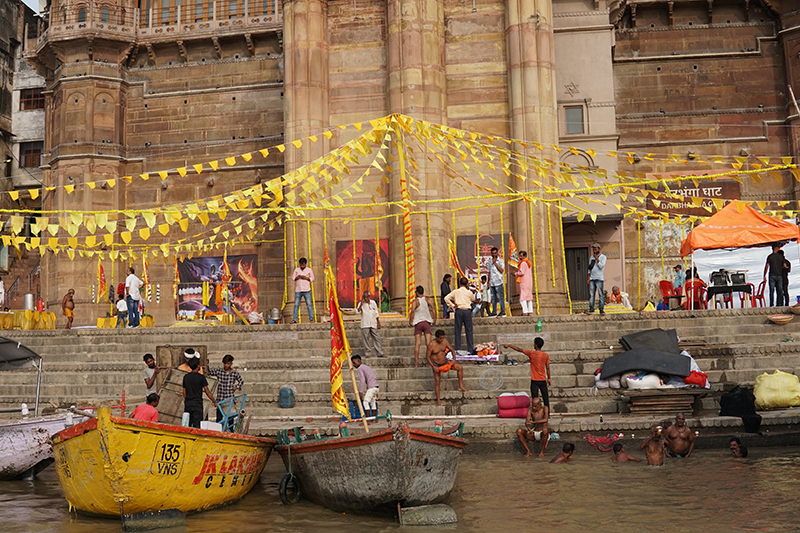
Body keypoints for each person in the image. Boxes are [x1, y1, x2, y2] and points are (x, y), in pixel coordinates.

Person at [503, 337, 550, 407]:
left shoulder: (532, 353)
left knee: (535, 399)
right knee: (545, 398)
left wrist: (509, 345)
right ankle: (547, 414)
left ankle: (535, 414)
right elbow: (548, 368)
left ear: (536, 345)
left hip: (535, 380)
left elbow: (519, 350)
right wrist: (549, 378)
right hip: (543, 380)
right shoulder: (545, 355)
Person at [426, 329, 468, 406]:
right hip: (436, 365)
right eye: (440, 338)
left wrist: (454, 360)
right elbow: (428, 357)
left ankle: (460, 386)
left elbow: (452, 350)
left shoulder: (445, 341)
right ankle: (438, 401)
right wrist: (433, 366)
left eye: (443, 338)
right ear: (436, 337)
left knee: (460, 368)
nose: (442, 340)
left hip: (445, 362)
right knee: (437, 382)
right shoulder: (431, 344)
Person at [182, 356, 217, 428]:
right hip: (197, 404)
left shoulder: (186, 377)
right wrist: (214, 401)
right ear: (198, 366)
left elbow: (184, 391)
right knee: (197, 425)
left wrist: (187, 400)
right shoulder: (201, 377)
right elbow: (207, 392)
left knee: (187, 424)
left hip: (188, 404)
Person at [208, 354, 244, 423]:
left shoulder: (234, 373)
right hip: (220, 399)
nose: (226, 365)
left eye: (228, 364)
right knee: (219, 419)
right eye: (225, 363)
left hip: (229, 399)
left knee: (230, 420)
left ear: (231, 364)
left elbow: (241, 381)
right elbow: (209, 372)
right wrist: (207, 364)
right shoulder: (219, 371)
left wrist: (236, 387)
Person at [444, 277, 475, 354]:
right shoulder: (469, 292)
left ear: (460, 284)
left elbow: (446, 298)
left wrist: (452, 305)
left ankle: (457, 348)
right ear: (467, 284)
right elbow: (473, 299)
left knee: (458, 330)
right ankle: (470, 349)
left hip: (459, 311)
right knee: (469, 331)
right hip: (467, 311)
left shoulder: (456, 291)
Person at [409, 285, 436, 368]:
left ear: (417, 292)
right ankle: (429, 363)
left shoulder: (415, 301)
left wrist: (410, 321)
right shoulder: (427, 299)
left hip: (418, 323)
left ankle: (416, 363)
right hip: (427, 322)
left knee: (418, 343)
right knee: (428, 343)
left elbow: (413, 311)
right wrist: (434, 318)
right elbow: (433, 307)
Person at [351, 354, 379, 420]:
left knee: (365, 402)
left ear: (359, 361)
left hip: (371, 387)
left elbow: (362, 380)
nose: (353, 365)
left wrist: (361, 391)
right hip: (376, 386)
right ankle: (374, 419)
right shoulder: (366, 367)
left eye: (354, 363)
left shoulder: (360, 368)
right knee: (373, 402)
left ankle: (368, 420)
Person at [357, 290, 384, 357]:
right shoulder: (361, 303)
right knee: (365, 339)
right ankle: (368, 353)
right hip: (365, 323)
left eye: (367, 297)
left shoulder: (373, 302)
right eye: (364, 297)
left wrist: (378, 322)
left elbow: (376, 313)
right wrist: (361, 304)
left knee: (377, 338)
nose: (366, 298)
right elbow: (358, 311)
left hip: (373, 323)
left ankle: (380, 353)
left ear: (369, 296)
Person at [292, 258, 315, 323]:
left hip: (307, 289)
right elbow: (293, 278)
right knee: (296, 305)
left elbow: (312, 278)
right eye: (301, 265)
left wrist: (306, 278)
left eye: (303, 265)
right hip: (298, 290)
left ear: (305, 264)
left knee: (309, 304)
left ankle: (311, 318)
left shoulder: (309, 270)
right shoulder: (296, 270)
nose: (302, 266)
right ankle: (294, 319)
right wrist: (297, 277)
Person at [587, 242, 606, 315]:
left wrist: (597, 259)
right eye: (593, 249)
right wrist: (588, 278)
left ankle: (601, 309)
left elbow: (601, 266)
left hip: (599, 278)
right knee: (592, 294)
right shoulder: (591, 257)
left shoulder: (603, 257)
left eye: (595, 249)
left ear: (599, 249)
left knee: (600, 294)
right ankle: (591, 309)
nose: (594, 250)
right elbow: (589, 268)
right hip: (592, 278)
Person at [514, 251, 533, 316]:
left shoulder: (523, 263)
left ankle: (525, 312)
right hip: (529, 283)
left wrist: (515, 273)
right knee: (529, 298)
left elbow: (521, 272)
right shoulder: (528, 263)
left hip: (524, 282)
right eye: (520, 256)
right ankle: (529, 311)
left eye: (521, 256)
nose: (520, 257)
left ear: (525, 256)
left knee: (523, 298)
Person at [488, 247, 505, 317]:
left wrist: (495, 263)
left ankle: (503, 311)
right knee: (493, 298)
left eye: (495, 253)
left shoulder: (500, 261)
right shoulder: (489, 261)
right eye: (492, 253)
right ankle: (494, 311)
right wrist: (488, 281)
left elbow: (501, 270)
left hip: (499, 281)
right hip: (492, 282)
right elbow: (489, 271)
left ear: (497, 253)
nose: (494, 255)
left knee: (500, 297)